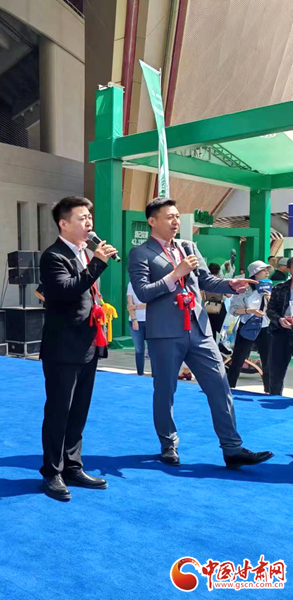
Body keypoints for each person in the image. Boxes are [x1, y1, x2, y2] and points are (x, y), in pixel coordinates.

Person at [128, 197, 273, 469]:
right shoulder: (141, 253)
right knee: (165, 391)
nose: (175, 221)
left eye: (177, 216)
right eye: (169, 217)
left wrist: (231, 284)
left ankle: (232, 448)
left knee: (220, 385)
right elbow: (143, 292)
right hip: (165, 333)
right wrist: (175, 274)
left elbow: (206, 280)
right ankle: (168, 444)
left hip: (200, 329)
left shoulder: (188, 246)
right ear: (152, 221)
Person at [38, 196, 117, 501]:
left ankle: (73, 465)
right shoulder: (54, 256)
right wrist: (97, 263)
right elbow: (66, 291)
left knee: (80, 409)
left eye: (89, 218)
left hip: (88, 343)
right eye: (82, 218)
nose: (89, 223)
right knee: (59, 410)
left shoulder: (84, 253)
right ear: (63, 223)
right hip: (63, 346)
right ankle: (52, 471)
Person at [226, 260, 272, 393]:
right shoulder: (244, 289)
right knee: (238, 358)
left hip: (265, 326)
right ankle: (229, 387)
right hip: (247, 325)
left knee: (268, 360)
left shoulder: (269, 288)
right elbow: (233, 309)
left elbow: (274, 310)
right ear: (255, 273)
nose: (267, 273)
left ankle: (270, 390)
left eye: (267, 270)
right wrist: (249, 311)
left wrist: (269, 298)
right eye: (263, 270)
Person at [267, 256, 293, 394]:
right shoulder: (279, 288)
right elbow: (270, 310)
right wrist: (280, 319)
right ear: (289, 269)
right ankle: (275, 397)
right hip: (281, 331)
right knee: (276, 369)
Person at [126, 281, 148, 376]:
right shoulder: (131, 284)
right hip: (135, 321)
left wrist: (135, 306)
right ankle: (140, 373)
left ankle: (155, 373)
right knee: (139, 349)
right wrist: (134, 319)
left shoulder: (152, 282)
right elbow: (129, 305)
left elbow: (152, 304)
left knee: (153, 349)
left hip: (150, 321)